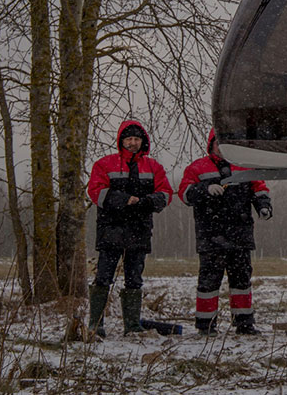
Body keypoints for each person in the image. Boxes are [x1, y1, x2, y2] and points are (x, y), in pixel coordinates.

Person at [178, 128, 273, 335]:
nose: (221, 147)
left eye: (226, 143)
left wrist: (264, 206)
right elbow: (184, 194)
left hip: (240, 233)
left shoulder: (245, 165)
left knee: (241, 280)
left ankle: (244, 323)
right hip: (211, 235)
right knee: (209, 282)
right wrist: (205, 189)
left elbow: (259, 188)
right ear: (211, 144)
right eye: (218, 143)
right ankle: (206, 325)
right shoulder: (197, 167)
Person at [85, 119, 174, 337]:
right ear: (121, 141)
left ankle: (132, 325)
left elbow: (166, 193)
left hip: (139, 229)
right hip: (111, 228)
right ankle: (96, 325)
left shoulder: (154, 167)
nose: (132, 143)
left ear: (143, 141)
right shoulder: (104, 164)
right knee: (104, 276)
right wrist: (124, 200)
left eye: (136, 139)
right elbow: (95, 191)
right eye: (129, 139)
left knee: (134, 277)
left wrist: (148, 202)